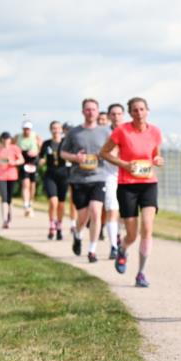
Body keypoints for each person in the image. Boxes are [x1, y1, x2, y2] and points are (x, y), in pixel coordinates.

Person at [100, 97, 164, 287]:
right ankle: (122, 249)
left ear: (147, 110)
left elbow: (156, 155)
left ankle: (141, 273)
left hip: (148, 183)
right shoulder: (122, 131)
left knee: (147, 228)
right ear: (130, 113)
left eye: (142, 109)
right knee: (132, 234)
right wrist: (124, 164)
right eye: (135, 110)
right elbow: (103, 153)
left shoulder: (155, 131)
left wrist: (158, 160)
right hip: (127, 185)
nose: (139, 113)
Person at [60, 98, 111, 262]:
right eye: (87, 109)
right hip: (79, 179)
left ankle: (92, 250)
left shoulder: (106, 132)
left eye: (93, 109)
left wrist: (104, 155)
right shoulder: (74, 133)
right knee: (83, 217)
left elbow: (114, 151)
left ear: (98, 112)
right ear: (83, 112)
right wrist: (75, 157)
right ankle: (78, 233)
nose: (91, 112)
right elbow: (62, 153)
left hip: (99, 177)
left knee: (96, 211)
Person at [39, 121, 70, 240]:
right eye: (53, 128)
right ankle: (52, 224)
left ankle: (59, 226)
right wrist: (41, 161)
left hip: (64, 175)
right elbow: (41, 157)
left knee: (61, 204)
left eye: (58, 128)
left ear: (61, 130)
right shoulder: (46, 143)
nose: (56, 130)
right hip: (50, 175)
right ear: (50, 129)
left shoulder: (65, 142)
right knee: (53, 201)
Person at [101, 103, 125, 257]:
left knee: (126, 213)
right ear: (109, 116)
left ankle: (118, 235)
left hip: (127, 175)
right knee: (112, 210)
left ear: (123, 115)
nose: (116, 117)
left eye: (119, 114)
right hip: (109, 175)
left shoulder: (129, 131)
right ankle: (114, 247)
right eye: (113, 114)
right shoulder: (102, 133)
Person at [0, 132, 24, 228]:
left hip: (12, 175)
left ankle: (9, 215)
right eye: (4, 139)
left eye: (7, 138)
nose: (5, 141)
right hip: (0, 176)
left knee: (9, 198)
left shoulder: (14, 148)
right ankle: (4, 219)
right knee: (4, 197)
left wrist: (14, 162)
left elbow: (21, 160)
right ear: (1, 139)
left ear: (10, 139)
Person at [16, 121, 42, 217]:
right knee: (25, 183)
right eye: (25, 128)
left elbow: (41, 148)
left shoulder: (36, 136)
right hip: (24, 161)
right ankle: (26, 204)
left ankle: (30, 202)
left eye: (28, 129)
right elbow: (12, 146)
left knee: (32, 185)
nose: (26, 130)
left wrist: (36, 153)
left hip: (33, 161)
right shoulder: (18, 137)